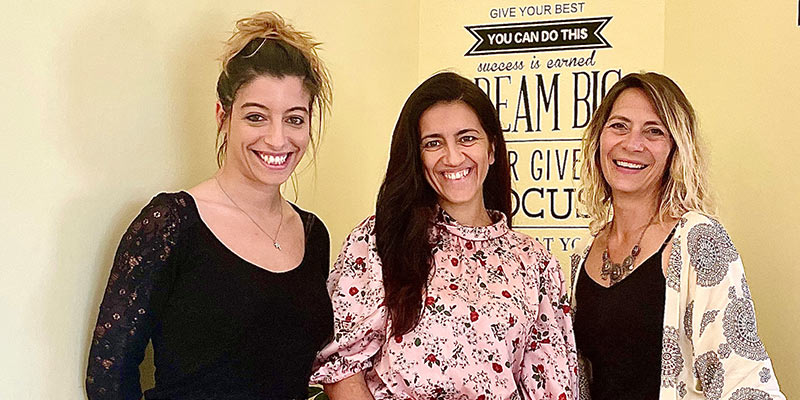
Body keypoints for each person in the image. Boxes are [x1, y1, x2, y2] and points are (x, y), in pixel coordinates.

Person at [86, 11, 334, 400]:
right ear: (223, 116)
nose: (276, 138)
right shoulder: (171, 224)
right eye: (256, 117)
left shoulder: (313, 234)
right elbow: (109, 378)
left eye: (294, 119)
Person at [312, 72, 577, 400]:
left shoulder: (535, 262)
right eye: (433, 143)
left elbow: (551, 386)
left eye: (467, 138)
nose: (452, 158)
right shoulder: (377, 241)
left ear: (492, 150)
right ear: (417, 156)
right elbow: (341, 369)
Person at [570, 72, 784, 399]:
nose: (632, 143)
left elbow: (743, 375)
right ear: (599, 138)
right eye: (619, 126)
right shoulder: (581, 256)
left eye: (654, 131)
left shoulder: (698, 240)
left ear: (675, 149)